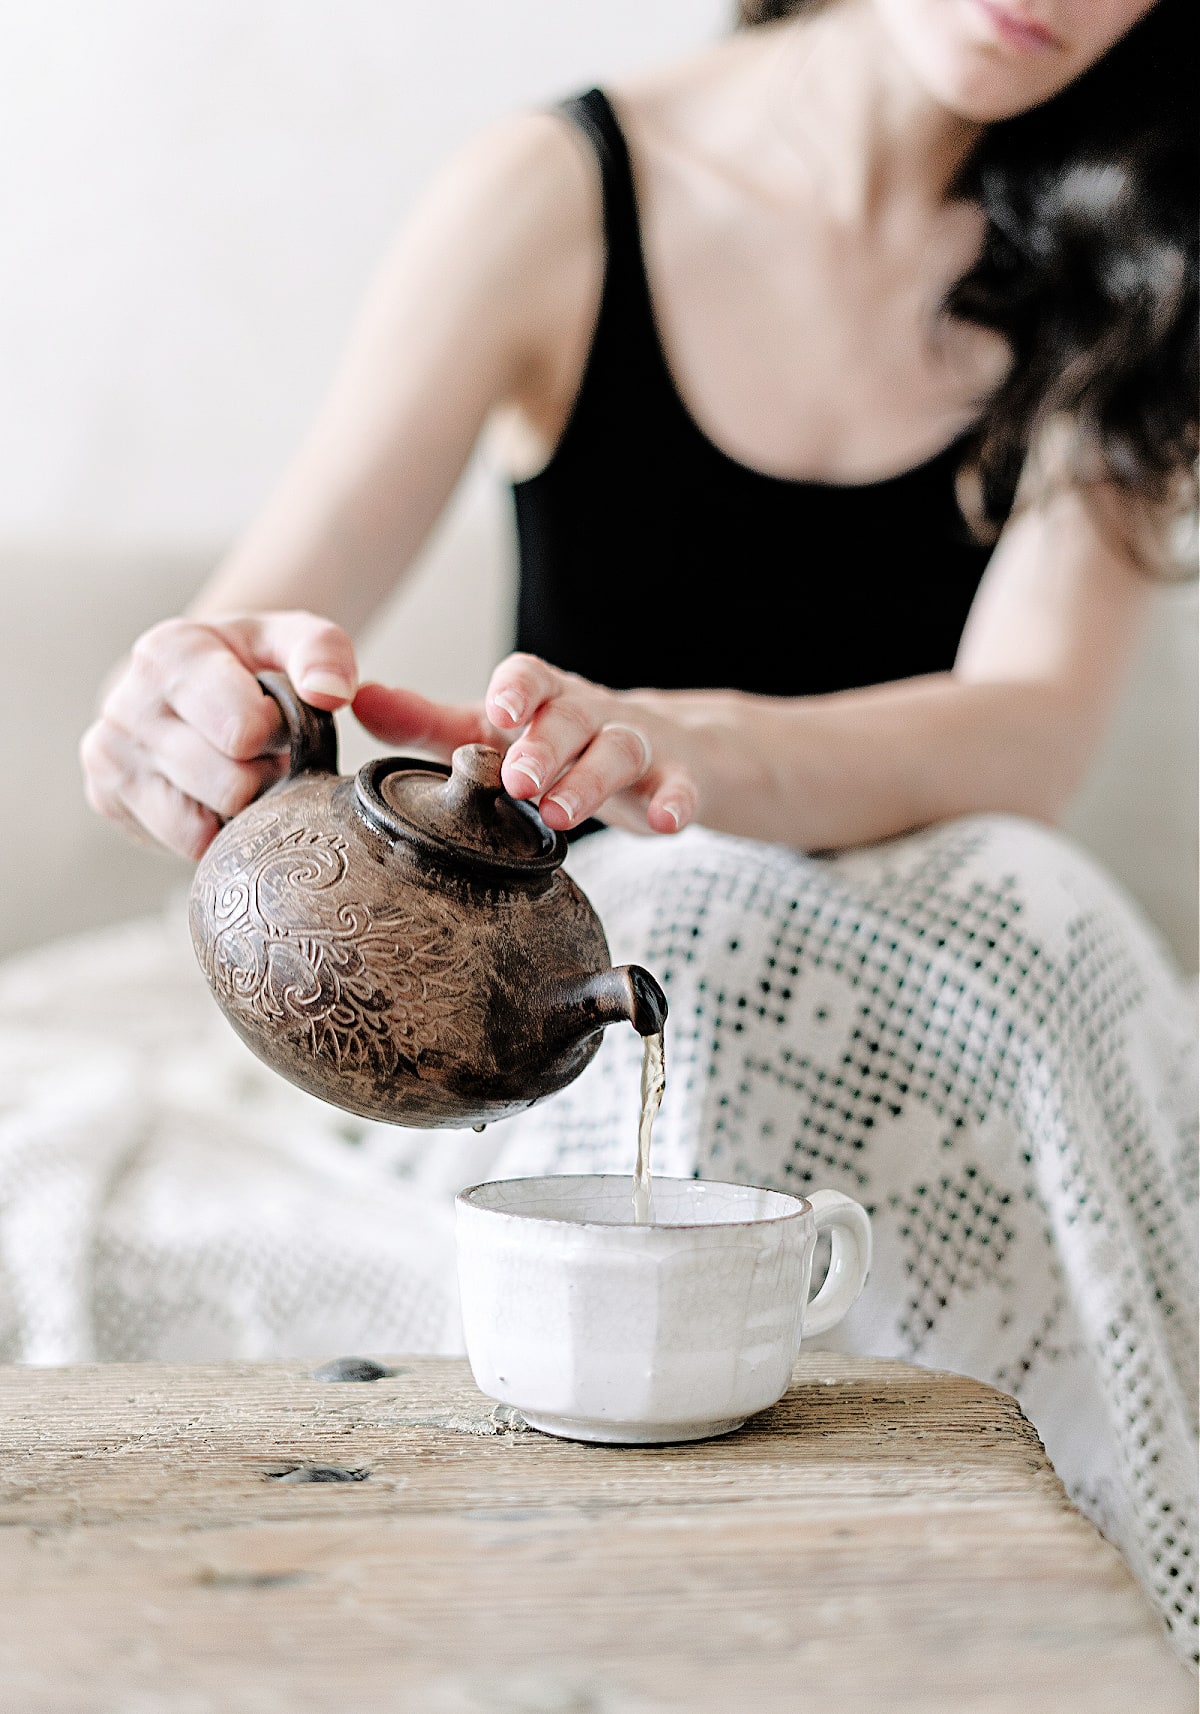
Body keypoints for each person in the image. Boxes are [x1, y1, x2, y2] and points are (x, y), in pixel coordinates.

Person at [71, 0, 1196, 1657]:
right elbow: (267, 619)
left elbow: (1020, 733)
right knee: (699, 913)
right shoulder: (555, 191)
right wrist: (196, 701)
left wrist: (680, 744)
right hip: (594, 982)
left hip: (936, 942)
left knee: (1033, 895)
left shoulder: (1145, 236)